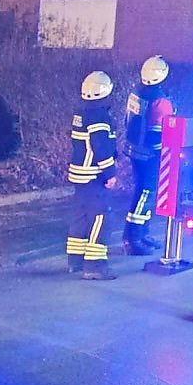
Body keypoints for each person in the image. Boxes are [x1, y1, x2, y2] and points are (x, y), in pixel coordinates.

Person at [65, 70, 120, 280]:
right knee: (100, 217)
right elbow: (101, 148)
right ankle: (95, 266)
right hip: (94, 176)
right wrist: (110, 173)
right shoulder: (100, 117)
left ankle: (75, 261)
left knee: (80, 216)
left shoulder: (81, 113)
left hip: (80, 174)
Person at [122, 55, 175, 255]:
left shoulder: (137, 92)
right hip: (150, 153)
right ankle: (133, 238)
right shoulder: (160, 100)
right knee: (145, 193)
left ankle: (142, 234)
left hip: (134, 149)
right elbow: (167, 126)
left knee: (143, 191)